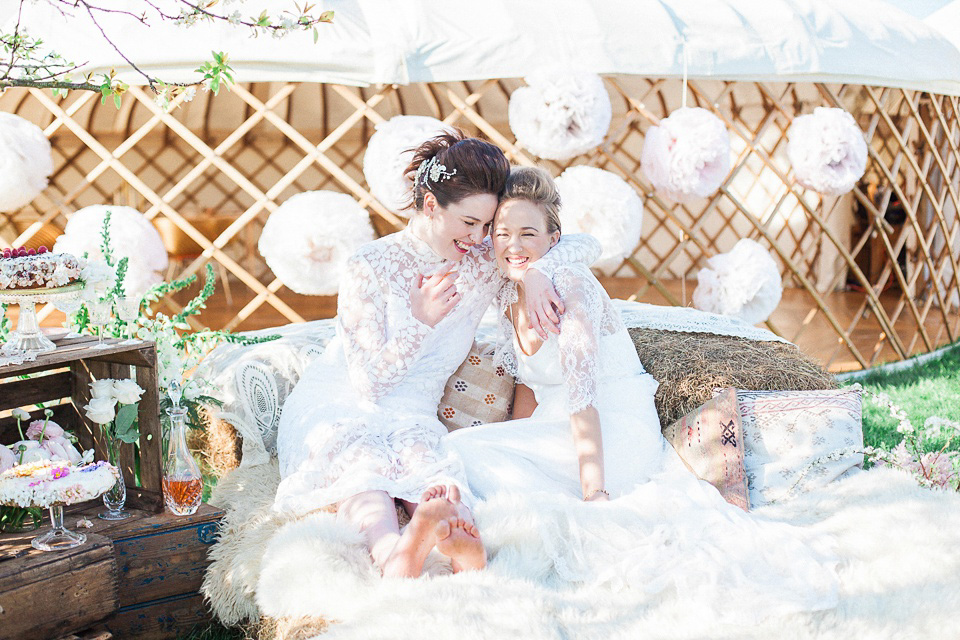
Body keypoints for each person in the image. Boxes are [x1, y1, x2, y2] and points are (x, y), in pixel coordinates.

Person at [445, 167, 839, 619]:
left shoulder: (569, 286)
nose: (512, 244)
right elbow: (531, 390)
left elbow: (583, 397)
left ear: (554, 240)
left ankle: (482, 549)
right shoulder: (510, 290)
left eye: (528, 233)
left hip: (609, 429)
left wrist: (595, 494)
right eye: (502, 233)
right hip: (559, 425)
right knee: (471, 458)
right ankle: (483, 548)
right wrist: (511, 438)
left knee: (461, 455)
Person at [274, 134, 600, 579]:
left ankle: (457, 543)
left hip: (414, 412)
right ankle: (393, 553)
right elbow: (369, 384)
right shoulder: (368, 264)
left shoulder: (480, 259)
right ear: (430, 205)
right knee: (365, 475)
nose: (479, 238)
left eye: (487, 226)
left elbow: (583, 243)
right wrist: (418, 321)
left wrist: (539, 271)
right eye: (469, 223)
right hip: (343, 403)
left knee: (434, 479)